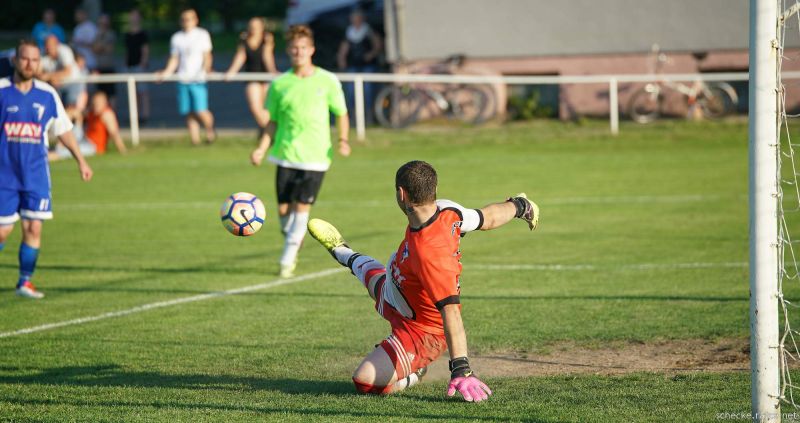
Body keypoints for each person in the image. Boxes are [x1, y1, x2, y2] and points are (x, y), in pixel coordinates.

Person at [306, 160, 539, 400]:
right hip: (398, 286)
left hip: (421, 331)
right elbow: (487, 218)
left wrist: (461, 369)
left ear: (401, 194)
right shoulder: (448, 210)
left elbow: (451, 312)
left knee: (364, 381)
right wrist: (520, 206)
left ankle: (414, 374)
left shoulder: (430, 255)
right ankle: (342, 251)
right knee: (373, 277)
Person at [250, 25, 350, 278]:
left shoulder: (327, 80)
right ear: (289, 51)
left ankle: (287, 257)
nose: (299, 52)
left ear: (311, 50)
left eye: (303, 47)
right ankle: (293, 237)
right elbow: (272, 120)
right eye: (294, 48)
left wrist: (343, 139)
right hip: (284, 153)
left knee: (301, 207)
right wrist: (262, 148)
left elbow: (341, 113)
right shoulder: (280, 84)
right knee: (284, 211)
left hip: (316, 156)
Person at [0, 39, 93, 299]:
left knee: (34, 229)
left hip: (35, 175)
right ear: (15, 60)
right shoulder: (2, 91)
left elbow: (62, 130)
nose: (30, 64)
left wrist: (81, 161)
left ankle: (24, 282)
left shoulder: (47, 94)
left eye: (35, 59)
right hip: (4, 175)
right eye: (25, 59)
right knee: (2, 231)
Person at [157, 9, 216, 146]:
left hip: (198, 78)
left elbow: (207, 55)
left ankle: (210, 132)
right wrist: (166, 73)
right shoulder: (177, 38)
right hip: (183, 78)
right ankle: (194, 140)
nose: (186, 22)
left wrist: (207, 69)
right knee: (188, 111)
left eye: (189, 19)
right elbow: (174, 59)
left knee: (201, 110)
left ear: (196, 20)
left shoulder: (202, 35)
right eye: (184, 19)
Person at [224, 17, 277, 146]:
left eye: (256, 26)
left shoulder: (267, 38)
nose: (254, 29)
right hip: (251, 76)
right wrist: (232, 71)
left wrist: (273, 71)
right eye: (251, 26)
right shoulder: (244, 39)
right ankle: (272, 134)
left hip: (265, 75)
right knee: (255, 107)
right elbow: (241, 56)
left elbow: (267, 55)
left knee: (267, 108)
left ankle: (268, 136)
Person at [337, 8, 382, 124]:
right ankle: (353, 118)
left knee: (368, 92)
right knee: (351, 93)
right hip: (354, 65)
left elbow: (377, 45)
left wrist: (371, 54)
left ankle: (369, 117)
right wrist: (342, 59)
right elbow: (344, 48)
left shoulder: (368, 30)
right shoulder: (349, 32)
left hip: (367, 66)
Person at [39, 35, 87, 122]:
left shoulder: (64, 50)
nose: (48, 47)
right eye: (47, 45)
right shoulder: (43, 54)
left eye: (50, 45)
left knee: (72, 109)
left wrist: (50, 77)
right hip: (58, 85)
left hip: (73, 83)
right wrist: (53, 78)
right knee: (58, 109)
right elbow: (39, 74)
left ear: (57, 44)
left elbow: (67, 71)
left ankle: (75, 132)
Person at [124, 9, 150, 124]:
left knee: (142, 91)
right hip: (130, 65)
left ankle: (144, 115)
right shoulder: (128, 34)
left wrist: (143, 63)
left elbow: (145, 50)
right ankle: (135, 115)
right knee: (133, 92)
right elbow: (126, 51)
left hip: (139, 65)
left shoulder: (142, 34)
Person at [83, 91, 127, 155]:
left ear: (105, 103)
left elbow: (114, 133)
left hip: (94, 147)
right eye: (94, 103)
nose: (96, 104)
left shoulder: (106, 114)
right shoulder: (90, 113)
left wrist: (122, 150)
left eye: (98, 103)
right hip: (85, 142)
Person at [92, 14, 117, 104]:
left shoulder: (111, 34)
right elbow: (95, 48)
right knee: (100, 94)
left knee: (111, 94)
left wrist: (100, 47)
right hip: (99, 67)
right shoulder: (96, 34)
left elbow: (109, 49)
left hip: (109, 67)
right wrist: (102, 46)